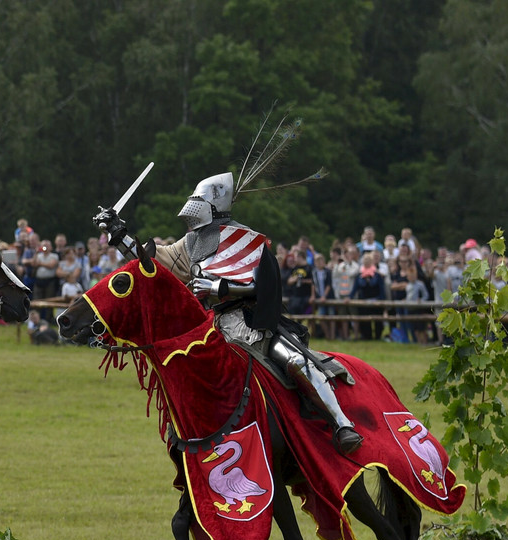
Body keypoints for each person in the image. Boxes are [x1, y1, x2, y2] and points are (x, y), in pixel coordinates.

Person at [96, 171, 363, 454]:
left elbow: (265, 287)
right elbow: (155, 263)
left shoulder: (247, 240)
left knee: (296, 361)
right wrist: (118, 234)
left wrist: (220, 287)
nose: (191, 204)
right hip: (211, 327)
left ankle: (342, 424)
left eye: (197, 199)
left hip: (251, 325)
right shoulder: (192, 242)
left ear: (212, 204)